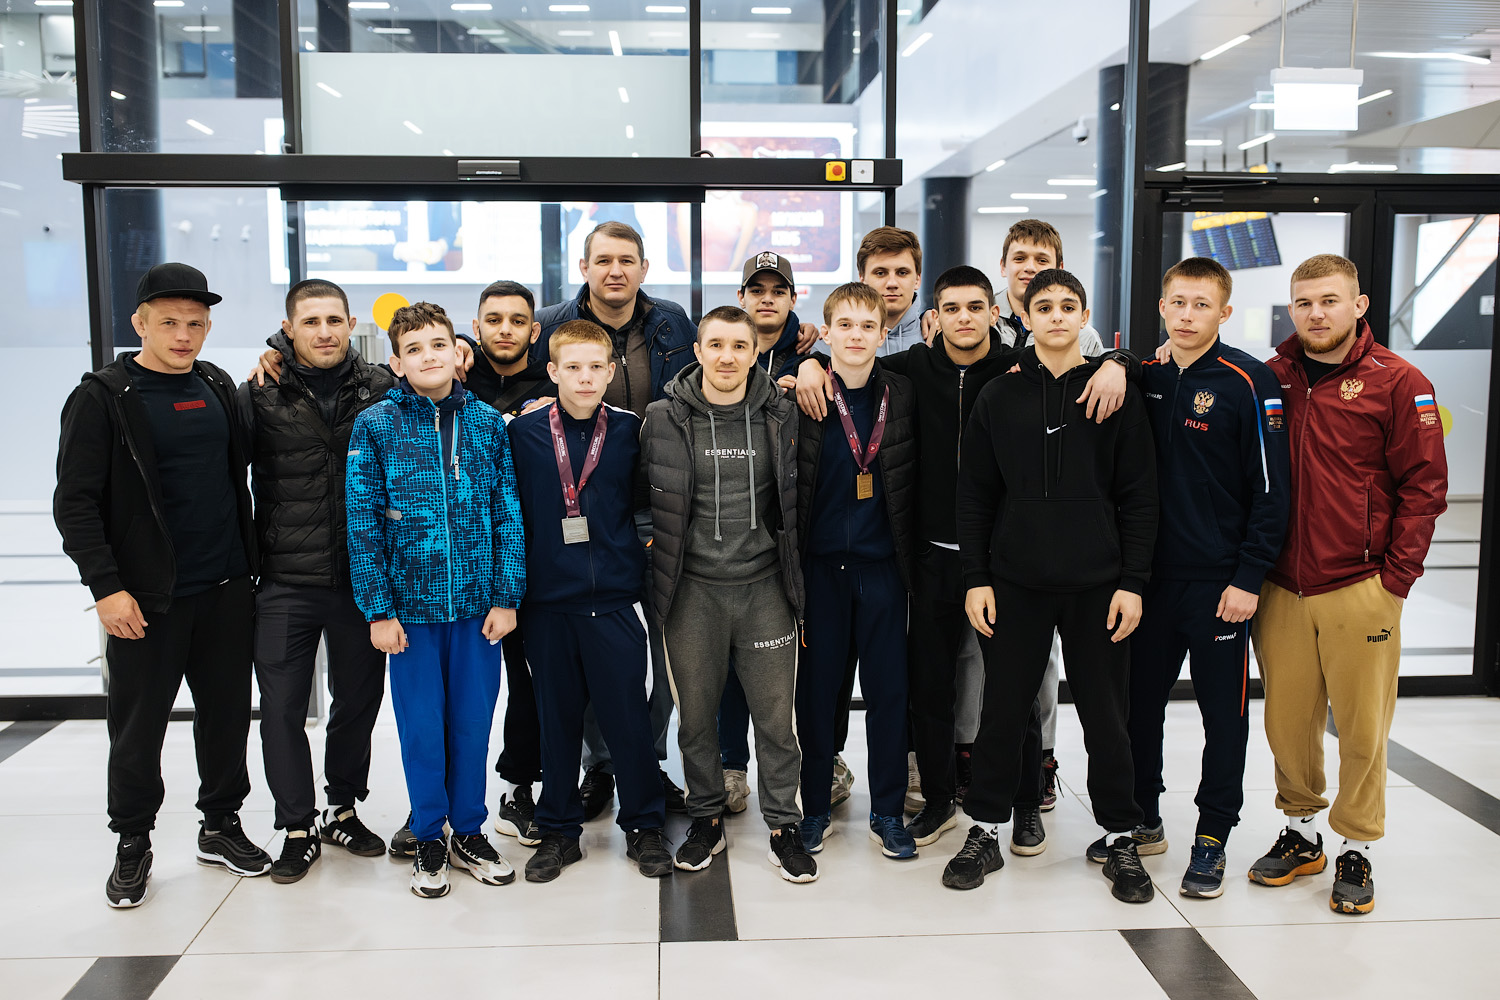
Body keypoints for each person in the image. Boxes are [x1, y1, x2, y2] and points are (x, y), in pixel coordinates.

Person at [794, 266, 1135, 852]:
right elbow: (852, 360)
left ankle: (1024, 804)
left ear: (995, 313)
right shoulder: (910, 371)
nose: (964, 318)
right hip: (928, 556)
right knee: (929, 689)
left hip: (1002, 561)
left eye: (976, 307)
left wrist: (1119, 362)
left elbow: (1088, 363)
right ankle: (938, 800)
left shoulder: (1016, 370)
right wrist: (809, 364)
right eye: (951, 308)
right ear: (934, 317)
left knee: (1013, 690)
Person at [55, 262, 268, 908]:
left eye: (195, 323)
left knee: (226, 717)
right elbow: (75, 503)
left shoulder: (216, 384)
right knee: (138, 726)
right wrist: (106, 588)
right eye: (169, 322)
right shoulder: (104, 396)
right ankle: (133, 839)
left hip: (226, 586)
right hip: (146, 599)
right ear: (139, 323)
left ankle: (220, 823)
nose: (183, 335)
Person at [948, 268, 1158, 903]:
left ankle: (1120, 836)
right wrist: (977, 578)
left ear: (1084, 315)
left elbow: (1140, 496)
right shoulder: (999, 396)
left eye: (1069, 306)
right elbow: (975, 496)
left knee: (1106, 717)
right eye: (1045, 307)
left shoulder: (1114, 394)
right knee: (1002, 712)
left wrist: (1133, 582)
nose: (1057, 316)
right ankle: (986, 829)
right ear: (1026, 316)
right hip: (1016, 582)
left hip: (1099, 585)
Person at [1247, 253, 1447, 915]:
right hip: (1282, 585)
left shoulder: (1399, 381)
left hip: (1360, 584)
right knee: (1287, 723)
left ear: (1358, 305)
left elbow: (1424, 488)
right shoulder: (1272, 377)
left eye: (1329, 300)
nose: (1316, 314)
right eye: (1304, 302)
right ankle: (1301, 833)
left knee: (1362, 727)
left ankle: (1357, 845)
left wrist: (1396, 580)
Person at [345, 301, 526, 898]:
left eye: (438, 345)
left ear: (457, 352)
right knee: (422, 727)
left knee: (473, 723)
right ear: (397, 362)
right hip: (411, 613)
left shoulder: (487, 424)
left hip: (477, 609)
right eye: (414, 349)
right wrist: (378, 609)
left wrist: (506, 596)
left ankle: (468, 830)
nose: (428, 357)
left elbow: (507, 514)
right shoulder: (375, 426)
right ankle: (427, 834)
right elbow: (363, 523)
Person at [1127, 257, 1290, 899]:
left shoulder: (1250, 381)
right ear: (1161, 307)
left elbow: (1271, 490)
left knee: (1224, 717)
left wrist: (1249, 576)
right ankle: (1143, 818)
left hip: (1220, 587)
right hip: (1147, 584)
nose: (1188, 315)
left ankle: (1213, 836)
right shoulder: (1143, 376)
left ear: (1224, 312)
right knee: (1138, 708)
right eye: (1178, 302)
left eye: (1202, 305)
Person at [641, 306, 817, 883]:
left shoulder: (782, 412)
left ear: (754, 352)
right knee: (696, 719)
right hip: (691, 591)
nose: (726, 357)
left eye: (739, 346)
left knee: (775, 718)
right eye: (715, 344)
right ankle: (706, 819)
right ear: (697, 351)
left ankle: (784, 826)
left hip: (764, 588)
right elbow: (639, 496)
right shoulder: (662, 417)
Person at [531, 221, 694, 820]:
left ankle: (643, 760)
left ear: (644, 268)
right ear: (584, 266)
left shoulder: (673, 322)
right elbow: (508, 373)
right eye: (603, 260)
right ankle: (602, 767)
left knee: (662, 654)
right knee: (592, 650)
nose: (615, 270)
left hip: (655, 511)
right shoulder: (551, 324)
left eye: (627, 259)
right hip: (584, 514)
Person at [508, 319, 674, 882]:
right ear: (552, 371)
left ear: (610, 371)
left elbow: (645, 503)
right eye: (572, 367)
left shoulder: (629, 430)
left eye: (595, 367)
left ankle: (644, 825)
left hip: (614, 601)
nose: (585, 377)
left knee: (628, 719)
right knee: (556, 721)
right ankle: (559, 830)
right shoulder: (522, 434)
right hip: (548, 603)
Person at [240, 279, 394, 883]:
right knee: (281, 709)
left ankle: (342, 808)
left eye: (334, 320)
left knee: (357, 703)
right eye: (311, 322)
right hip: (286, 582)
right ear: (289, 328)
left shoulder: (382, 386)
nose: (324, 332)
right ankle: (297, 826)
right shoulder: (260, 393)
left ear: (351, 324)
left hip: (362, 583)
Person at [794, 283, 919, 859]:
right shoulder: (803, 393)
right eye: (844, 325)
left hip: (883, 568)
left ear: (884, 332)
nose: (856, 335)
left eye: (868, 325)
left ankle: (887, 811)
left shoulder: (904, 392)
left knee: (890, 693)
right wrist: (803, 368)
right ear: (825, 332)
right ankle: (815, 807)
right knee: (819, 694)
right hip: (821, 569)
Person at [719, 251, 813, 812]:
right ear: (742, 297)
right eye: (758, 290)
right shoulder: (723, 356)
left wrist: (813, 367)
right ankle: (731, 766)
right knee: (730, 664)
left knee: (786, 667)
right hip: (729, 536)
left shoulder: (815, 356)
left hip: (788, 538)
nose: (768, 299)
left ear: (793, 299)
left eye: (779, 290)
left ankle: (817, 762)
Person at [462, 280, 554, 852]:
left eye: (517, 320)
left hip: (530, 560)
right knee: (460, 695)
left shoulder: (554, 388)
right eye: (493, 319)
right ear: (475, 328)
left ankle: (521, 788)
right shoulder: (450, 382)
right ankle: (443, 801)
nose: (505, 329)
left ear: (534, 331)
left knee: (528, 685)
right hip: (459, 562)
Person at [859, 226, 926, 356]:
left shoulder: (941, 341)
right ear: (862, 279)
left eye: (902, 273)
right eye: (880, 273)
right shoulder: (833, 345)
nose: (892, 283)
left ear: (917, 279)